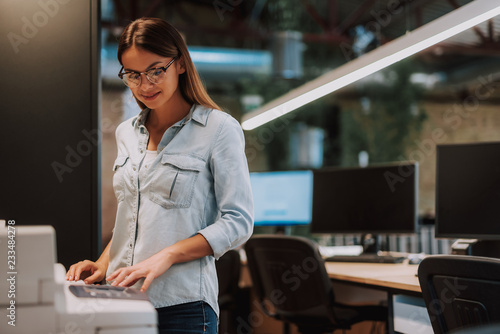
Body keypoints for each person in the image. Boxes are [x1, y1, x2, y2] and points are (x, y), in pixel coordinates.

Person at [66, 17, 254, 334]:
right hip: (122, 300)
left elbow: (238, 221)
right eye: (133, 75)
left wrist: (167, 255)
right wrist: (101, 264)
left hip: (183, 307)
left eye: (156, 70)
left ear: (179, 64)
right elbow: (133, 218)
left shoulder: (219, 129)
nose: (145, 85)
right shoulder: (127, 132)